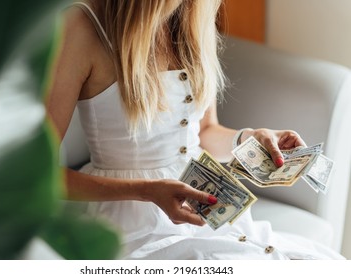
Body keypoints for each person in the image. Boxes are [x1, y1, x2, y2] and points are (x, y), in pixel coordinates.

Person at [46, 0, 344, 259]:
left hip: (207, 202)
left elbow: (204, 133)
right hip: (132, 220)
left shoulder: (193, 19)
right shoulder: (82, 27)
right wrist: (148, 191)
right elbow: (39, 174)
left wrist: (249, 138)